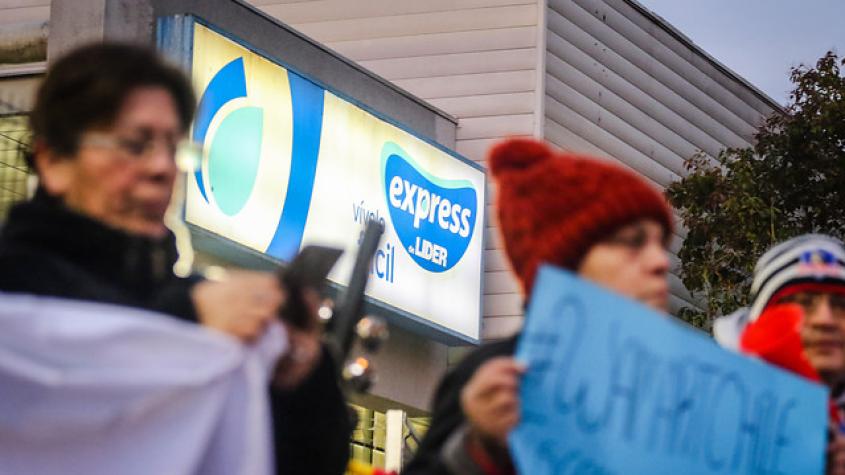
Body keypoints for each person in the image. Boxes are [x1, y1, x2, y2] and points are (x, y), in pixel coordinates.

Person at [0, 42, 350, 475]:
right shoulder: (12, 282)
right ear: (53, 161)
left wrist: (298, 376)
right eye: (135, 144)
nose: (163, 169)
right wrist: (188, 320)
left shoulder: (201, 304)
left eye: (175, 148)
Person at [403, 137, 674, 475]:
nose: (660, 261)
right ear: (567, 265)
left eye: (661, 243)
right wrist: (479, 451)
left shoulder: (681, 387)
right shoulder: (499, 379)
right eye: (633, 242)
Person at [714, 234, 845, 475]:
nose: (825, 320)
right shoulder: (708, 415)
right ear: (764, 321)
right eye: (803, 303)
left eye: (841, 305)